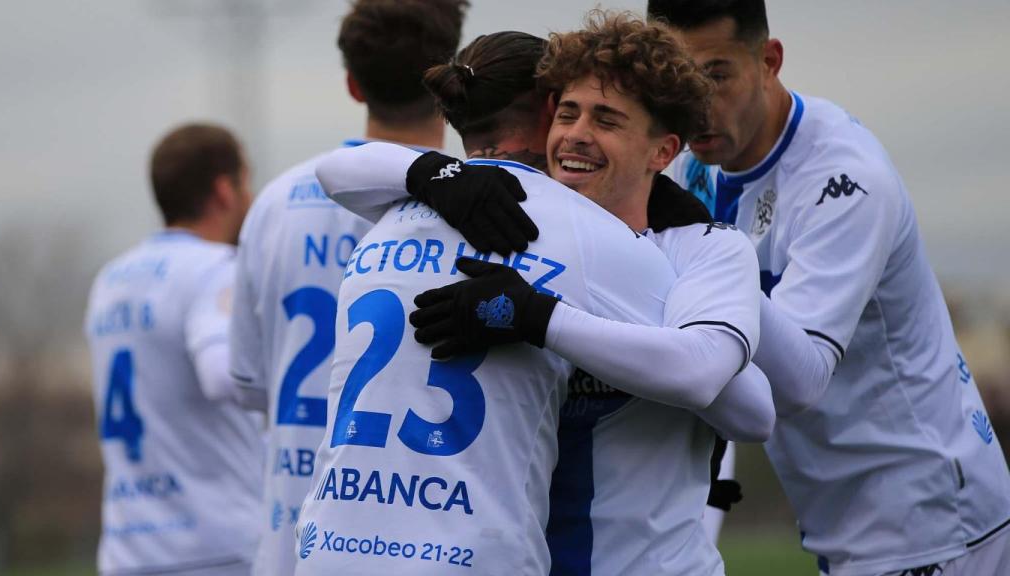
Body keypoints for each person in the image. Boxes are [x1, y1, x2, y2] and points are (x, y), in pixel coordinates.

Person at [312, 14, 774, 575]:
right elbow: (335, 170)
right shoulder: (525, 223)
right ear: (546, 115)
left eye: (607, 119)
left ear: (663, 151)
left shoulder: (696, 245)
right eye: (568, 113)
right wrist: (435, 174)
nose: (577, 134)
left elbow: (751, 407)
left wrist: (536, 316)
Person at [649, 1, 1010, 574]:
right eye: (677, 83)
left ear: (769, 60)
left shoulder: (844, 181)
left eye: (716, 75)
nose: (697, 106)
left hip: (933, 526)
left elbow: (800, 380)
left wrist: (710, 250)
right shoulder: (693, 167)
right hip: (843, 524)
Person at [227, 1, 468, 575]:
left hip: (290, 546)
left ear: (353, 85)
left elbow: (247, 384)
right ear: (452, 81)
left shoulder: (275, 203)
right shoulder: (478, 205)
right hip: (427, 542)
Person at [84, 123, 261, 576]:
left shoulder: (110, 280)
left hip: (129, 549)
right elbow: (221, 374)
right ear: (224, 191)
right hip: (215, 547)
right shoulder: (215, 268)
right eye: (246, 183)